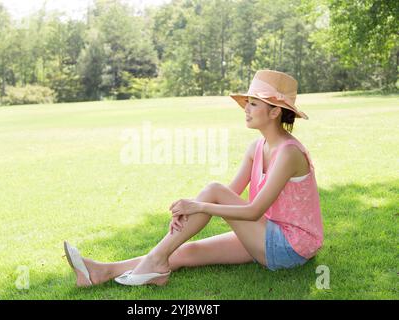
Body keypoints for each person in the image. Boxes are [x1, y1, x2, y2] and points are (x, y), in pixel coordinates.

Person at [64, 69, 324, 287]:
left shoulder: (289, 153)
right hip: (264, 235)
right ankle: (102, 272)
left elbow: (252, 210)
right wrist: (186, 220)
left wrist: (197, 206)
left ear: (275, 111)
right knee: (184, 251)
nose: (245, 108)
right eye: (247, 102)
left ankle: (154, 262)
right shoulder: (256, 148)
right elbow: (228, 199)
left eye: (253, 103)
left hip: (290, 247)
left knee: (212, 190)